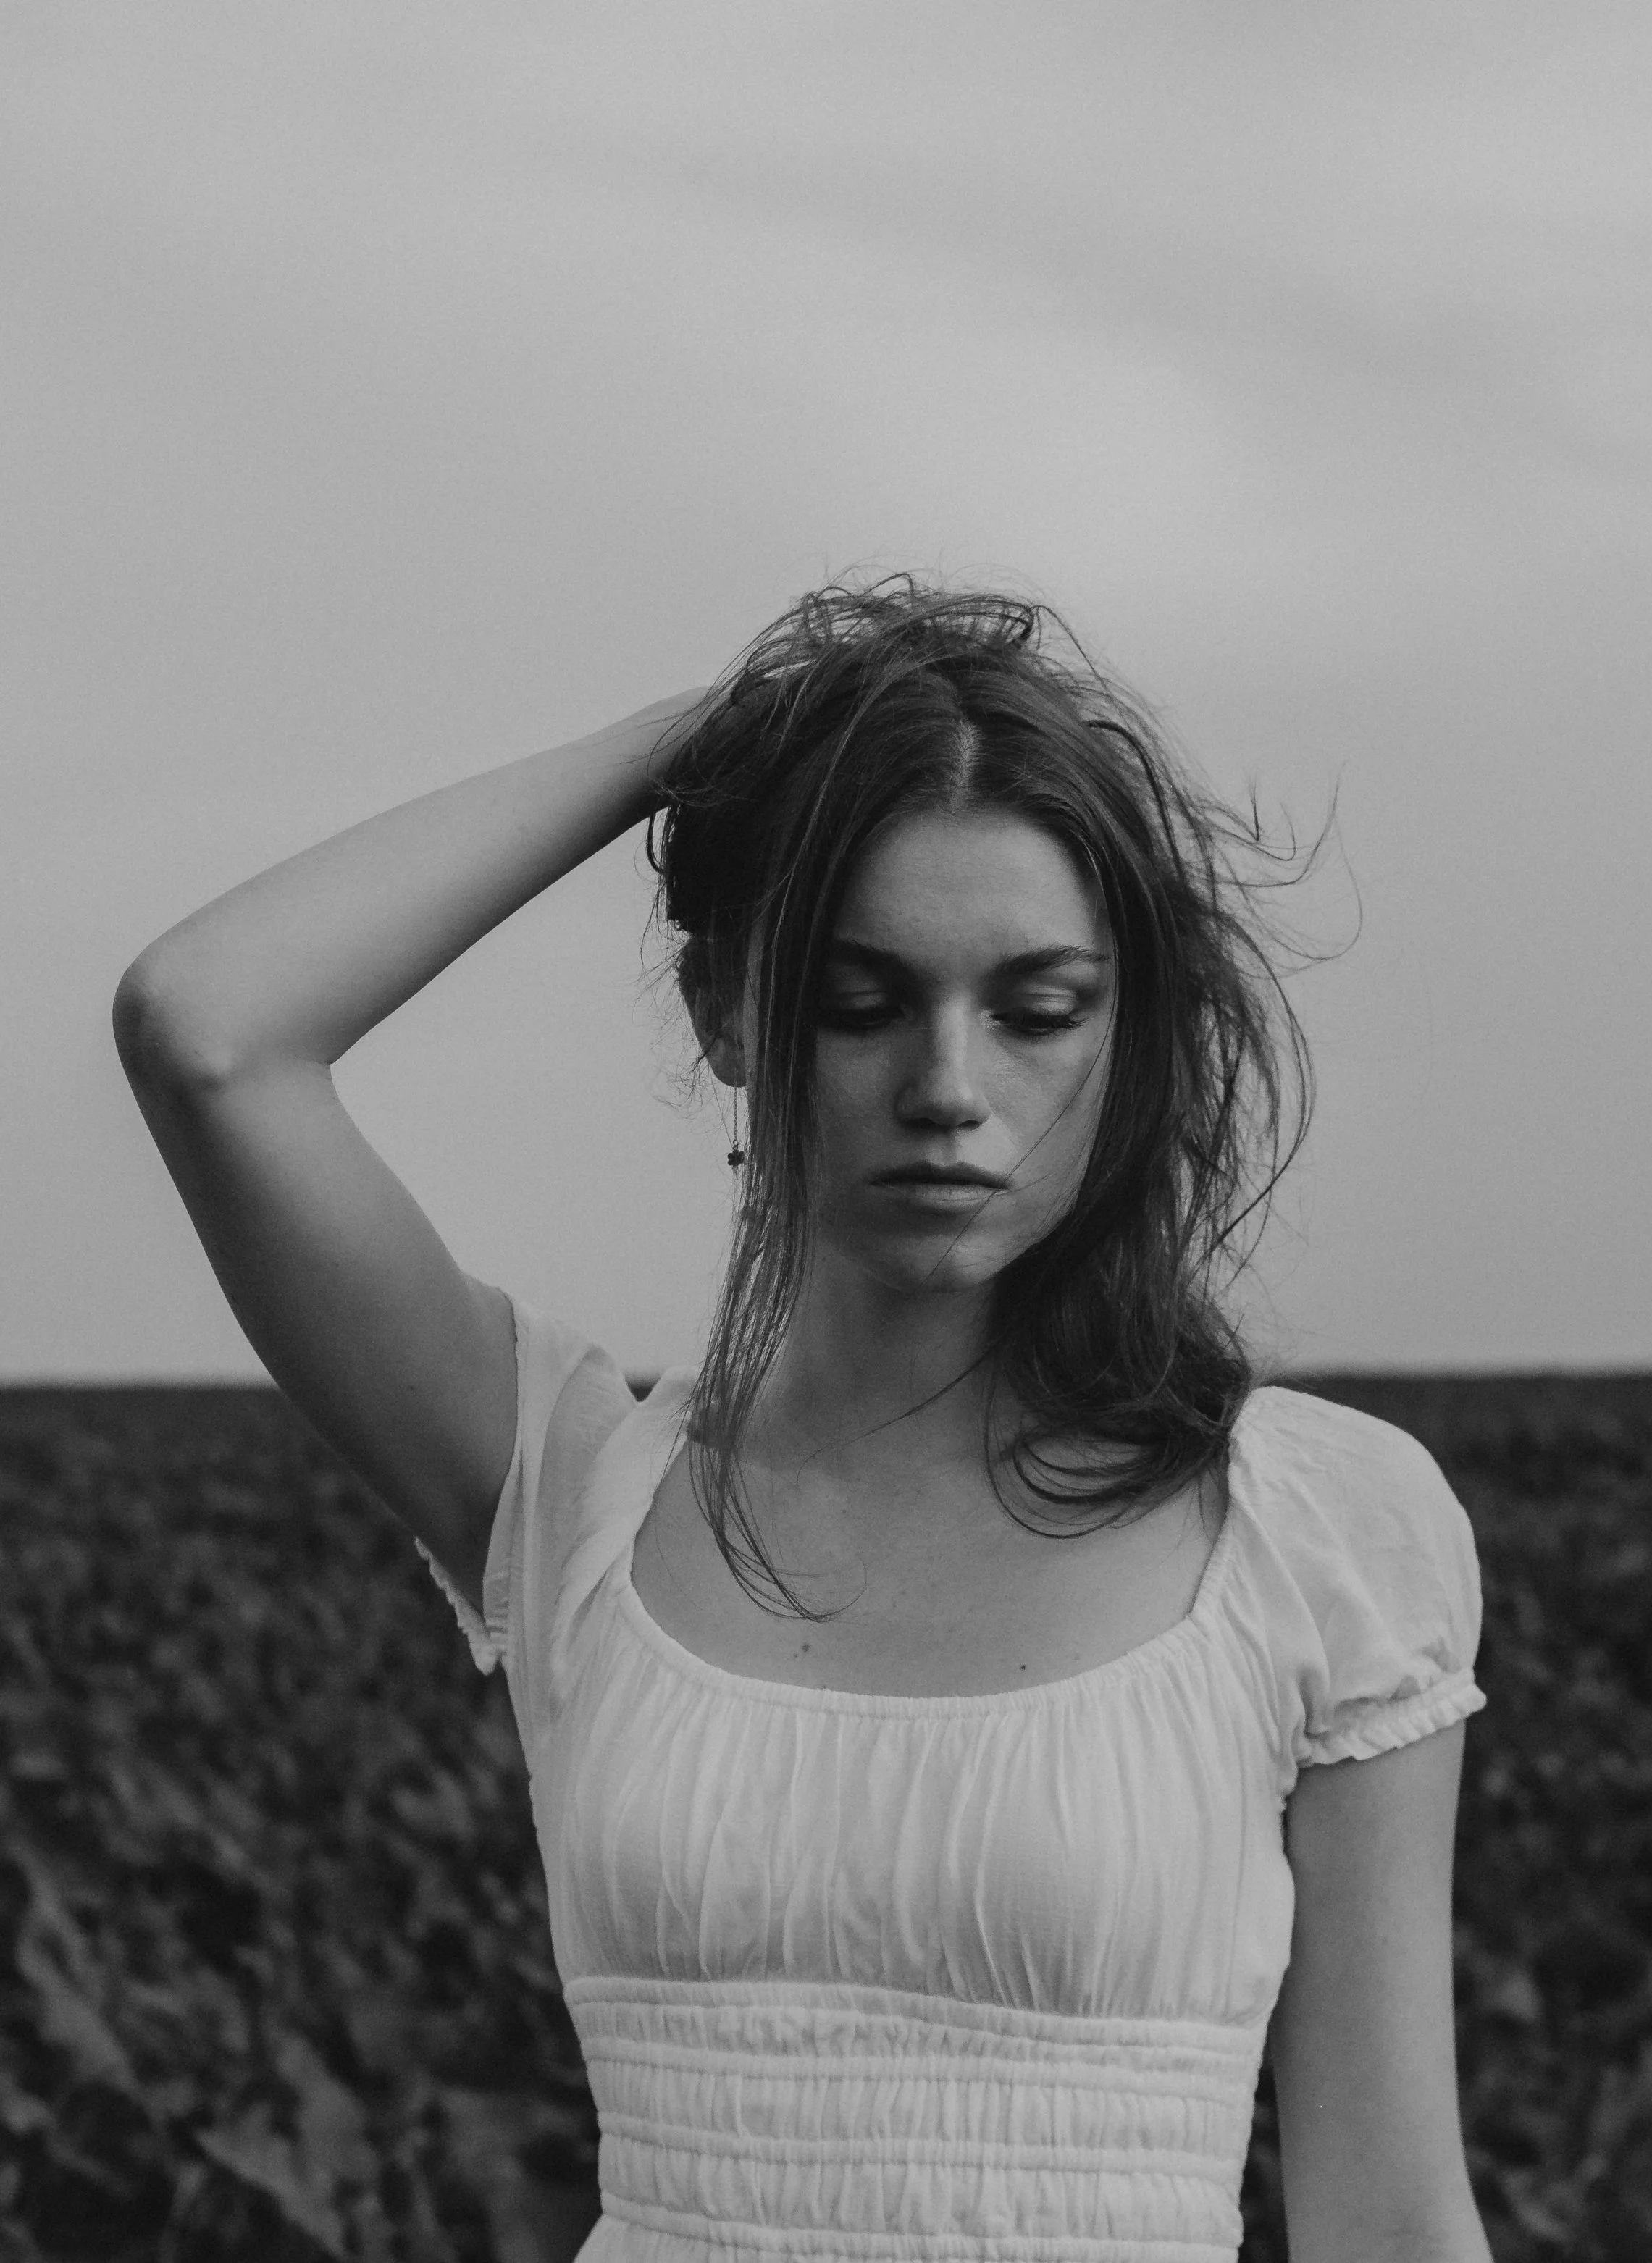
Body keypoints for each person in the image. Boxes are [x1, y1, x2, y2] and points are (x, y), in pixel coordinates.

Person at [115, 576, 1493, 2262]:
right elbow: (209, 1031)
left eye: (1035, 1006)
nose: (947, 1083)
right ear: (726, 1012)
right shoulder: (571, 1485)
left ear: (1126, 1030)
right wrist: (717, 737)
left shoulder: (1315, 1529)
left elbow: (1391, 2223)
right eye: (859, 1000)